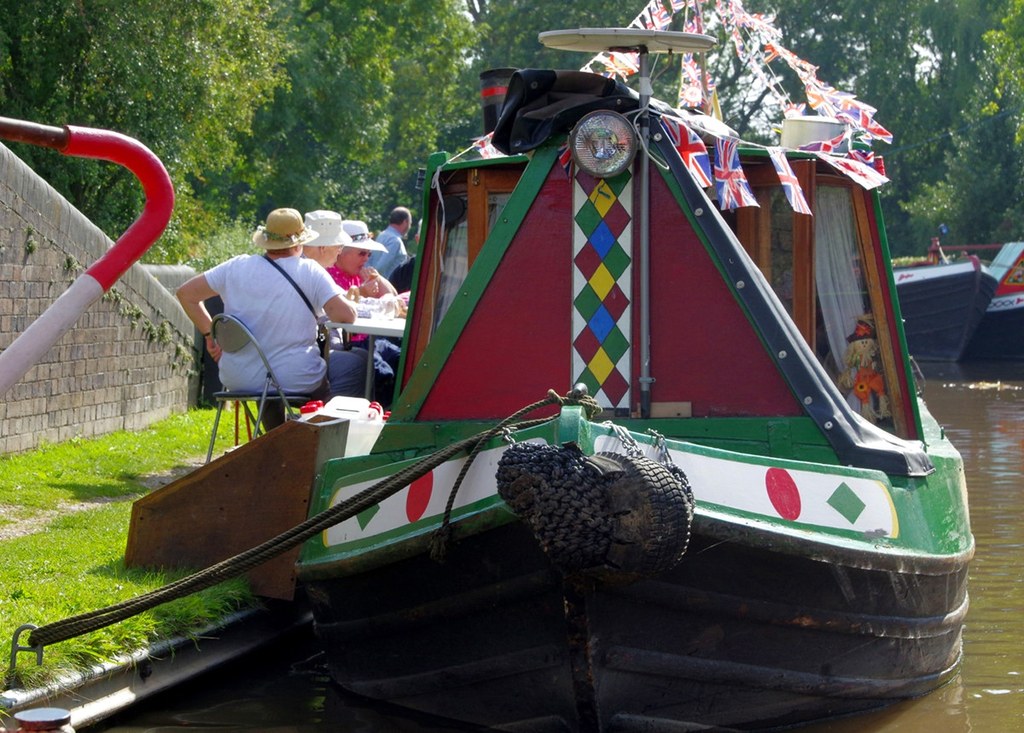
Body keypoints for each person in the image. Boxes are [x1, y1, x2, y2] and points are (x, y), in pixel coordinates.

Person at [177, 208, 358, 425]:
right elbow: (347, 316)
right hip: (296, 376)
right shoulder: (309, 270)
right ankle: (320, 439)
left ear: (266, 241)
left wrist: (210, 334)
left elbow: (185, 294)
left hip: (239, 377)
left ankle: (274, 441)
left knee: (269, 383)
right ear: (300, 242)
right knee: (344, 372)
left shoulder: (236, 266)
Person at [327, 221, 403, 405]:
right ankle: (383, 413)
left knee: (404, 358)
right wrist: (362, 291)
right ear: (340, 252)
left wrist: (377, 277)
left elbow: (394, 298)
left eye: (369, 254)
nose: (366, 259)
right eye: (362, 253)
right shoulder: (330, 275)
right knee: (383, 372)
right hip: (348, 343)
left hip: (368, 340)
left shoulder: (354, 274)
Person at [302, 210, 370, 398]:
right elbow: (347, 314)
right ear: (323, 247)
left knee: (362, 356)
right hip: (296, 359)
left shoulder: (248, 266)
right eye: (339, 245)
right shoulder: (313, 271)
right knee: (355, 364)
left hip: (260, 359)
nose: (340, 251)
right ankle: (330, 420)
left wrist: (212, 334)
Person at [368, 206, 411, 278]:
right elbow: (381, 268)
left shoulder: (381, 235)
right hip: (386, 285)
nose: (409, 226)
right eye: (410, 223)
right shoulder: (395, 241)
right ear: (405, 221)